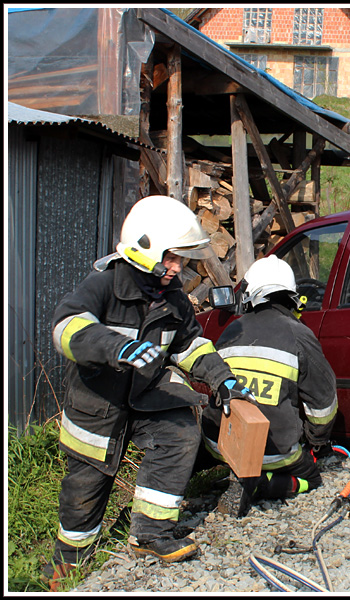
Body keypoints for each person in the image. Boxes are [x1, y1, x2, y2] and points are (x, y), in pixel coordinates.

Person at [46, 195, 253, 588]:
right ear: (145, 246)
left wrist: (222, 379)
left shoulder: (173, 300)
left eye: (181, 259)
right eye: (171, 258)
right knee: (84, 493)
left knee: (180, 434)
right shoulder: (103, 285)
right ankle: (66, 569)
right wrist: (115, 347)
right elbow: (65, 328)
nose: (178, 268)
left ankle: (150, 534)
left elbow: (190, 346)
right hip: (97, 409)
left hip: (146, 397)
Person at [200, 256, 339, 518]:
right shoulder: (300, 335)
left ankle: (234, 472)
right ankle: (260, 484)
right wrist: (317, 442)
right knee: (313, 477)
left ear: (251, 295)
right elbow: (324, 403)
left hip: (220, 446)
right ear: (292, 297)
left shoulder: (232, 329)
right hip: (274, 454)